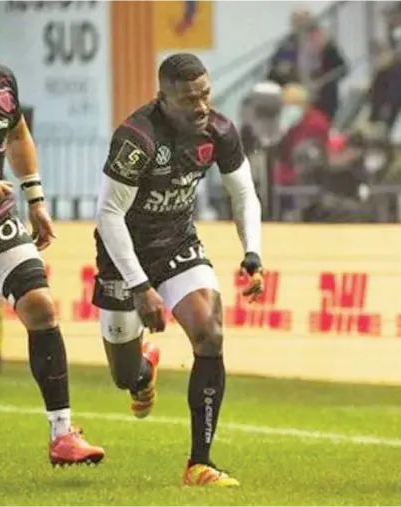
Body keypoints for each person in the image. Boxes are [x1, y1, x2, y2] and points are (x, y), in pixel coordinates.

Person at [92, 52, 264, 487]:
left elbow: (243, 194)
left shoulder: (220, 131)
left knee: (210, 333)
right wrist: (139, 286)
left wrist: (253, 254)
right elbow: (108, 216)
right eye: (188, 99)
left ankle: (199, 463)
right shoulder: (138, 138)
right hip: (123, 253)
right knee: (123, 376)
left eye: (204, 94)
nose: (200, 106)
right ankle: (142, 372)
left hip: (177, 242)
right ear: (163, 99)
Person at [0, 2, 105, 466]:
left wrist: (35, 198)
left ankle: (62, 435)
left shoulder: (3, 81)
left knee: (40, 305)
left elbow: (17, 134)